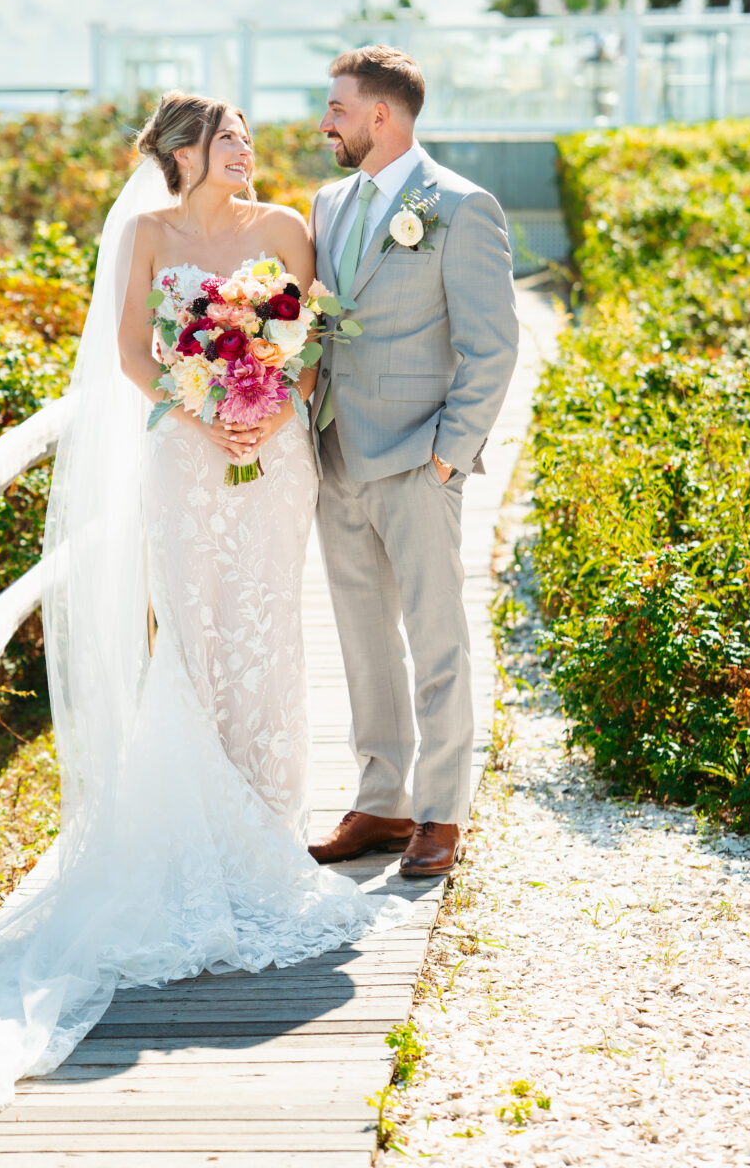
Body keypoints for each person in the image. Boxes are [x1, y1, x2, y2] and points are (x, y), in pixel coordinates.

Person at [0, 91, 407, 1131]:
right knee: (195, 640)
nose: (248, 150)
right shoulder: (149, 233)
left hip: (273, 455)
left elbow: (309, 340)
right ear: (188, 150)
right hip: (186, 457)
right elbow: (130, 355)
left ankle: (265, 832)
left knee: (265, 638)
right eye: (231, 137)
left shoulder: (286, 227)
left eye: (249, 138)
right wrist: (210, 407)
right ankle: (199, 841)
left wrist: (264, 405)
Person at [307, 47, 518, 880]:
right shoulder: (325, 204)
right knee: (363, 642)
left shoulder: (462, 208)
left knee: (437, 643)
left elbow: (491, 348)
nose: (326, 121)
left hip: (417, 460)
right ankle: (382, 799)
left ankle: (439, 813)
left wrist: (446, 458)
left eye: (337, 108)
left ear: (380, 116)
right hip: (335, 457)